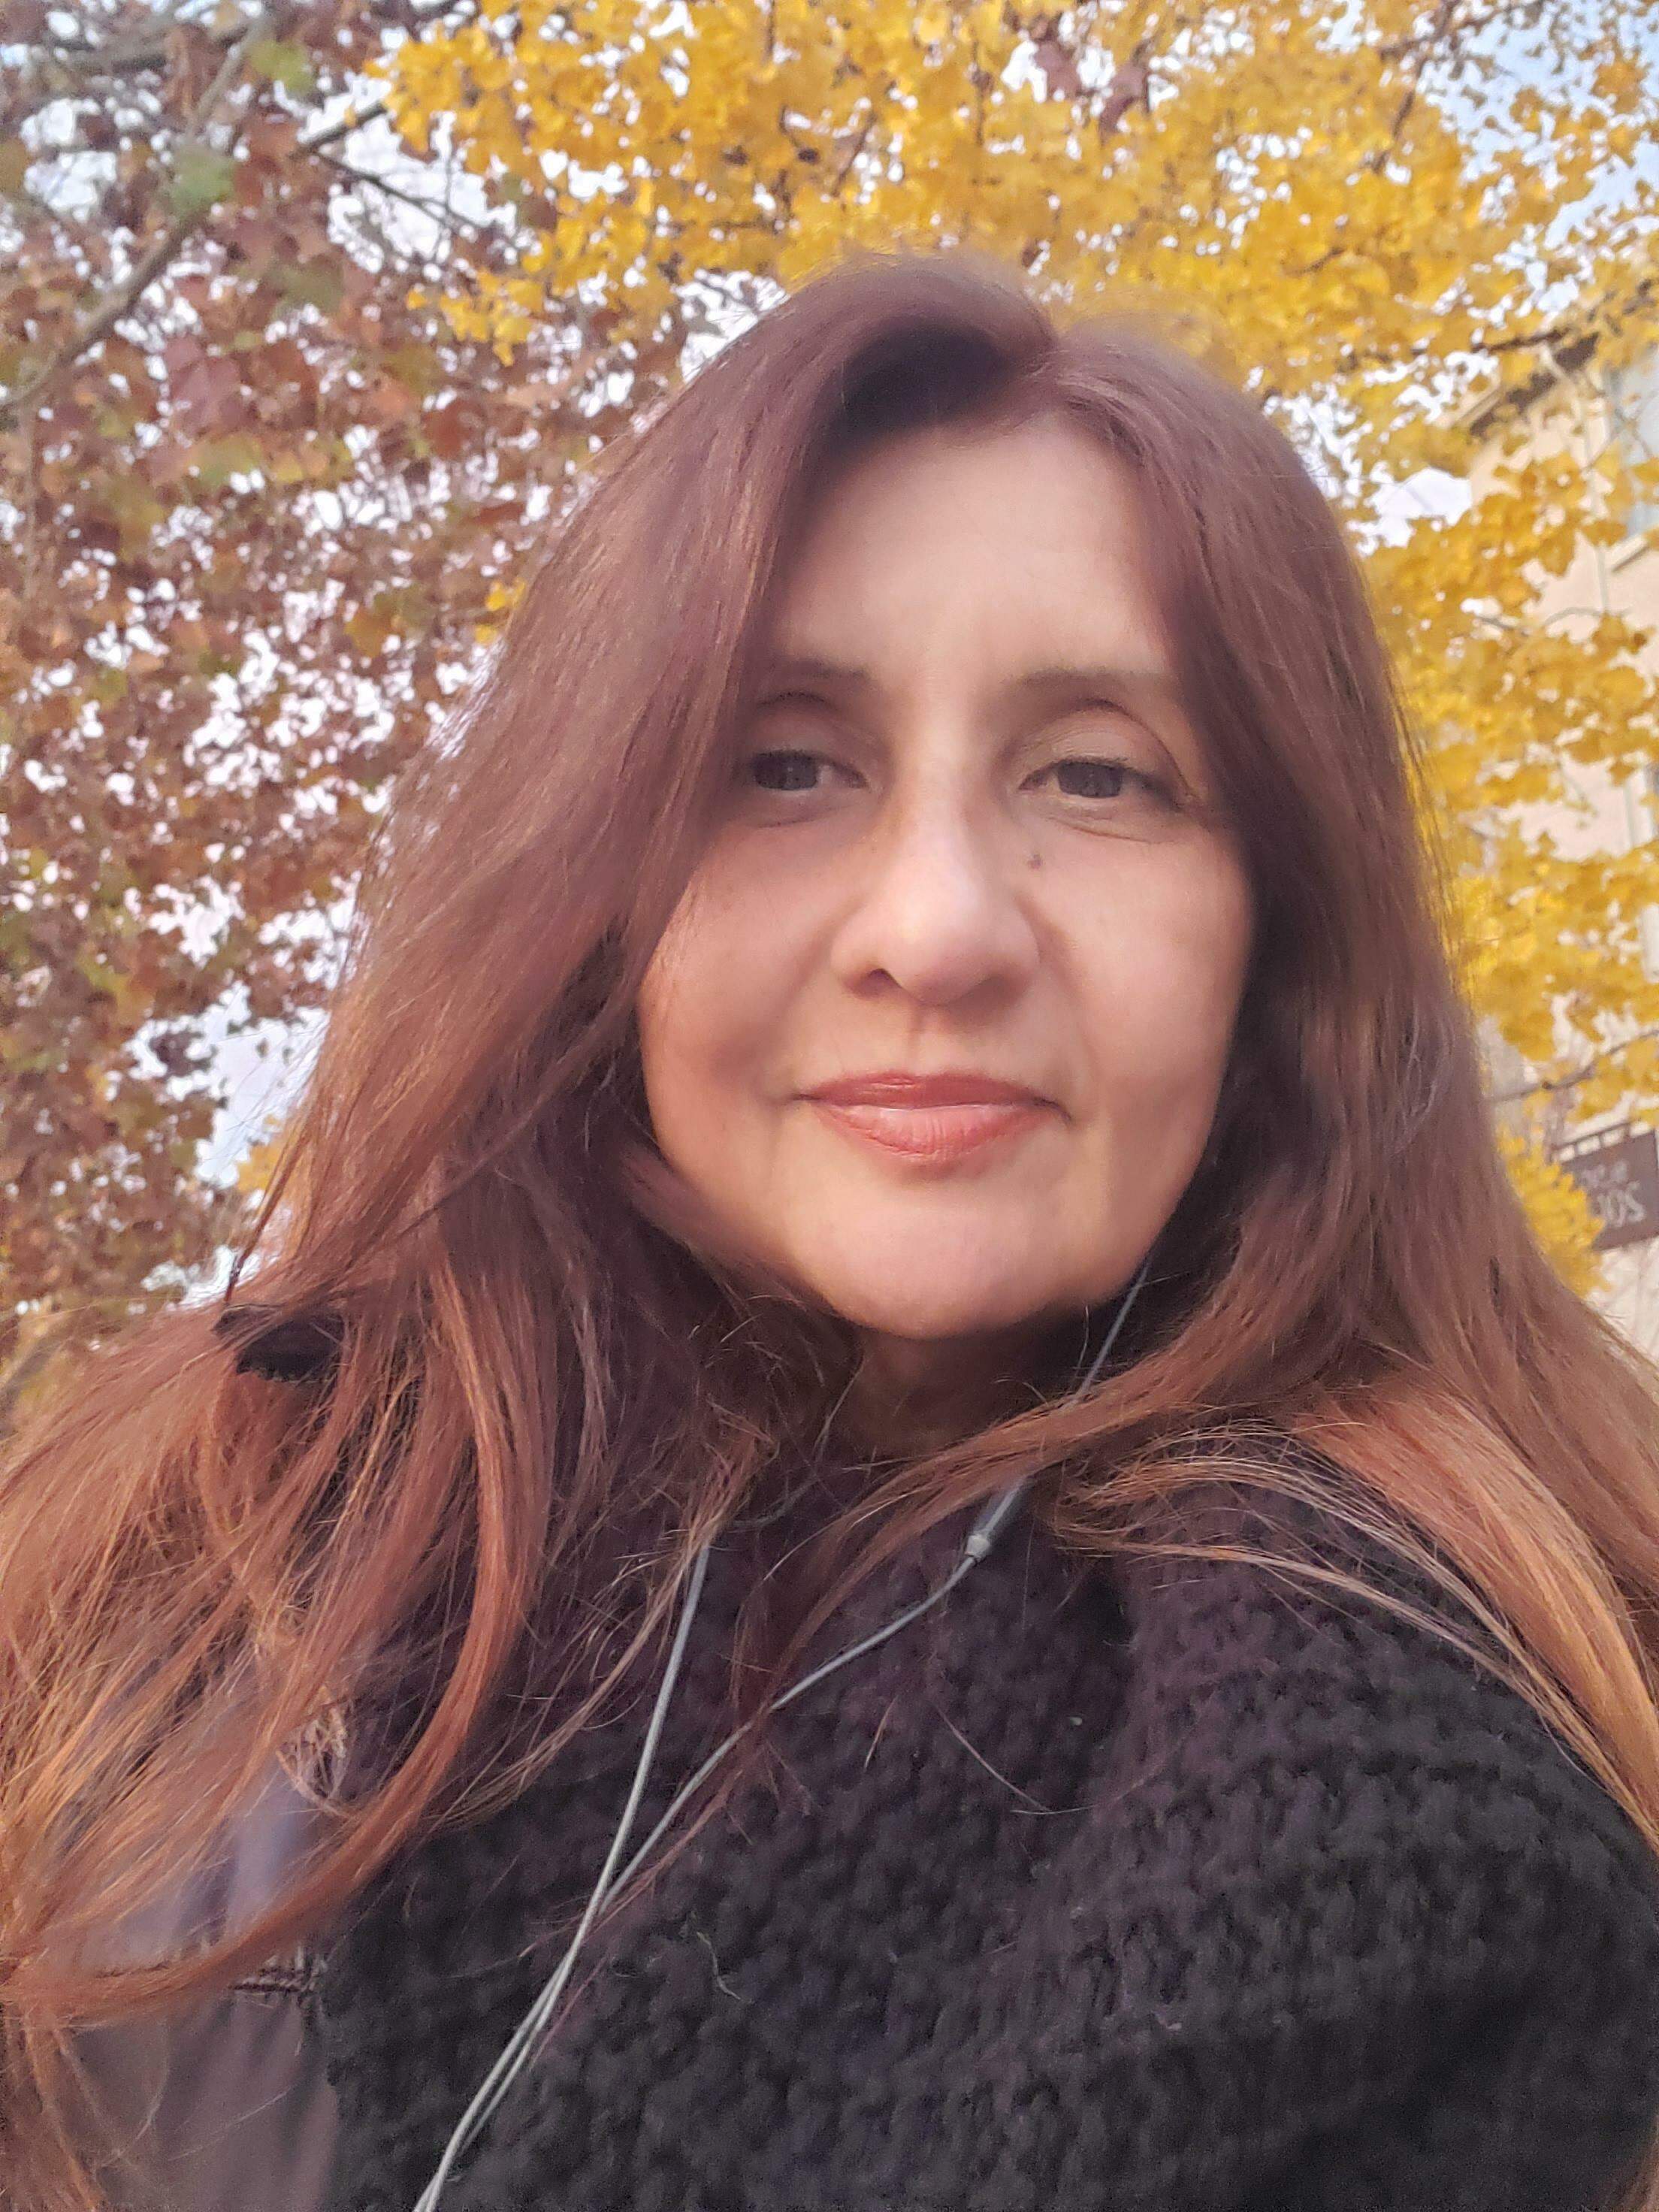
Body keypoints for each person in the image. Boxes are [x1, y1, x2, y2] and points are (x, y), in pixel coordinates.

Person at [6, 243, 1659, 2212]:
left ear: (1280, 938)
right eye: (783, 765)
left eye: (1100, 775)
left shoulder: (1570, 1660)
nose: (938, 930)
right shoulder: (185, 1593)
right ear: (598, 890)